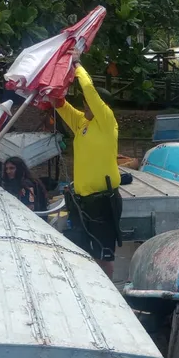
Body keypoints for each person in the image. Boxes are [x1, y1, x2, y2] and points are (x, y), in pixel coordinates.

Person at [56, 51, 122, 279]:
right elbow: (63, 108)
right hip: (83, 201)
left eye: (87, 105)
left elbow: (90, 92)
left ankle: (111, 295)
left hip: (103, 201)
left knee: (104, 257)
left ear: (100, 106)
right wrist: (54, 96)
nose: (84, 107)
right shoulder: (83, 123)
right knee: (85, 252)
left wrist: (76, 64)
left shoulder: (107, 121)